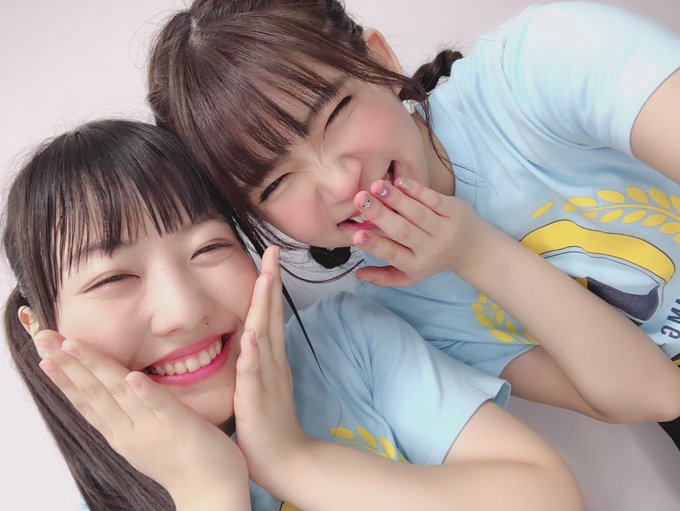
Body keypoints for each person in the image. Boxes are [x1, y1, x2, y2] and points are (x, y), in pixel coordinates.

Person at [146, 0, 680, 445]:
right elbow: (657, 395)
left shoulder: (542, 64)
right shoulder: (401, 305)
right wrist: (474, 252)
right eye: (276, 183)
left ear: (379, 59)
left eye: (335, 113)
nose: (340, 183)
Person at [2, 119, 584, 510]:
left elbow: (549, 497)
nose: (183, 309)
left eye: (209, 248)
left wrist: (293, 461)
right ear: (41, 328)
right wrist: (208, 494)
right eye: (113, 279)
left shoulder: (348, 343)